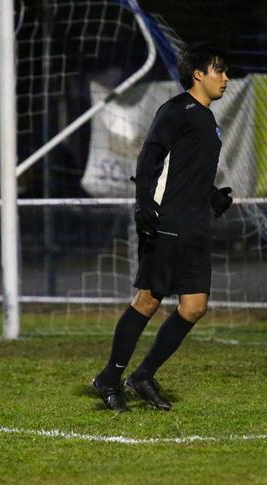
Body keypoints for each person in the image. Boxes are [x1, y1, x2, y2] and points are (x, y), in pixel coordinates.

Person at [92, 44, 233, 412]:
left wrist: (212, 195)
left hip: (195, 226)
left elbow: (188, 172)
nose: (226, 78)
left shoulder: (208, 120)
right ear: (198, 74)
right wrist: (143, 205)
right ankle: (110, 377)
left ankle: (142, 376)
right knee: (148, 300)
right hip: (167, 222)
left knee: (194, 307)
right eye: (220, 71)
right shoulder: (176, 110)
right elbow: (149, 156)